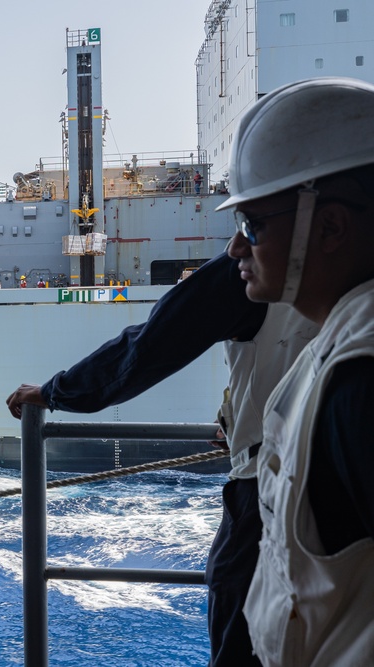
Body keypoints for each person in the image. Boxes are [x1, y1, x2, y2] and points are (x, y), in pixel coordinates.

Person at [6, 244, 318, 666]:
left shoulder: (255, 264)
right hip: (332, 483)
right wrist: (241, 420)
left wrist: (53, 391)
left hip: (271, 498)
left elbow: (150, 346)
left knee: (244, 640)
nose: (236, 245)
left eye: (253, 220)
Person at [219, 77, 374, 666]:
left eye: (252, 224)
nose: (236, 249)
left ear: (331, 227)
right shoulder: (332, 345)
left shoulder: (360, 381)